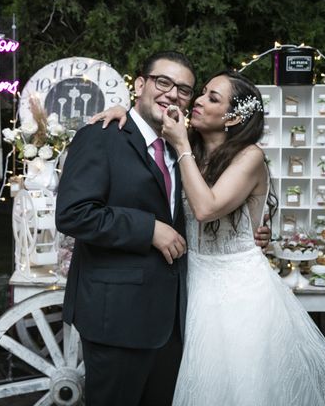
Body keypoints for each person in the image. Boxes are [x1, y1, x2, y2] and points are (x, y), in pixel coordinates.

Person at [97, 70, 325, 405]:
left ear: (233, 117)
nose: (197, 100)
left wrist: (181, 144)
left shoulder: (249, 156)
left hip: (239, 292)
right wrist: (125, 110)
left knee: (240, 388)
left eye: (212, 98)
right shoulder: (187, 150)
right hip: (190, 281)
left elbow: (205, 208)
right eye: (202, 93)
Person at [55, 52, 271, 406]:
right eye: (163, 82)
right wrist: (148, 229)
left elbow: (224, 204)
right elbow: (74, 214)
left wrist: (257, 231)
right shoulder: (102, 136)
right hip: (118, 317)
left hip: (180, 318)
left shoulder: (184, 146)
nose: (175, 94)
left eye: (185, 90)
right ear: (140, 84)